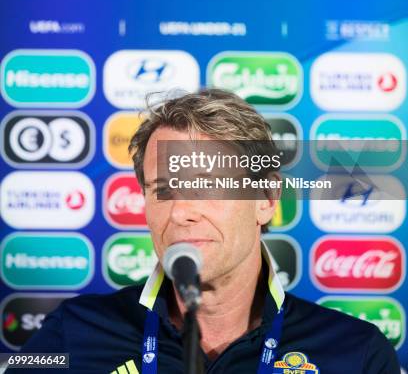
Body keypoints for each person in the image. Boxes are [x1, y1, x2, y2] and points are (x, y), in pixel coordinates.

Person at [16, 89, 400, 373]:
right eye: (163, 189)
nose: (182, 211)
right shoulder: (72, 332)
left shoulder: (357, 353)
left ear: (266, 199)